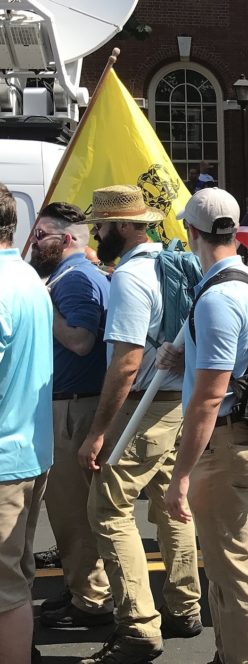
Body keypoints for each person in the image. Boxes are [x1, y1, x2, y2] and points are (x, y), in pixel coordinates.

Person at [78, 185, 202, 664]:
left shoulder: (131, 277)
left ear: (127, 227)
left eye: (103, 225)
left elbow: (127, 361)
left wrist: (97, 431)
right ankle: (185, 605)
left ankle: (138, 626)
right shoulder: (171, 264)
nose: (97, 233)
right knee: (171, 503)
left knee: (107, 510)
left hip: (143, 407)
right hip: (175, 402)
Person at [157, 187, 248, 664]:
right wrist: (185, 354)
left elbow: (209, 398)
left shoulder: (218, 298)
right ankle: (230, 654)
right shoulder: (240, 282)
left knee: (232, 565)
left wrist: (180, 476)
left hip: (223, 443)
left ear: (192, 232)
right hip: (237, 438)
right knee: (224, 565)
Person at [27, 203, 115, 628]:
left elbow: (80, 341)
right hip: (72, 403)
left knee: (71, 511)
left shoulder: (76, 278)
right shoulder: (74, 275)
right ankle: (83, 586)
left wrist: (46, 305)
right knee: (76, 508)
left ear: (66, 238)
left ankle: (92, 600)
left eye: (41, 234)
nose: (34, 241)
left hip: (73, 406)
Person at [0, 182, 54, 664]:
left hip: (5, 460)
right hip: (31, 449)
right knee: (17, 573)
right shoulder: (30, 279)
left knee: (6, 588)